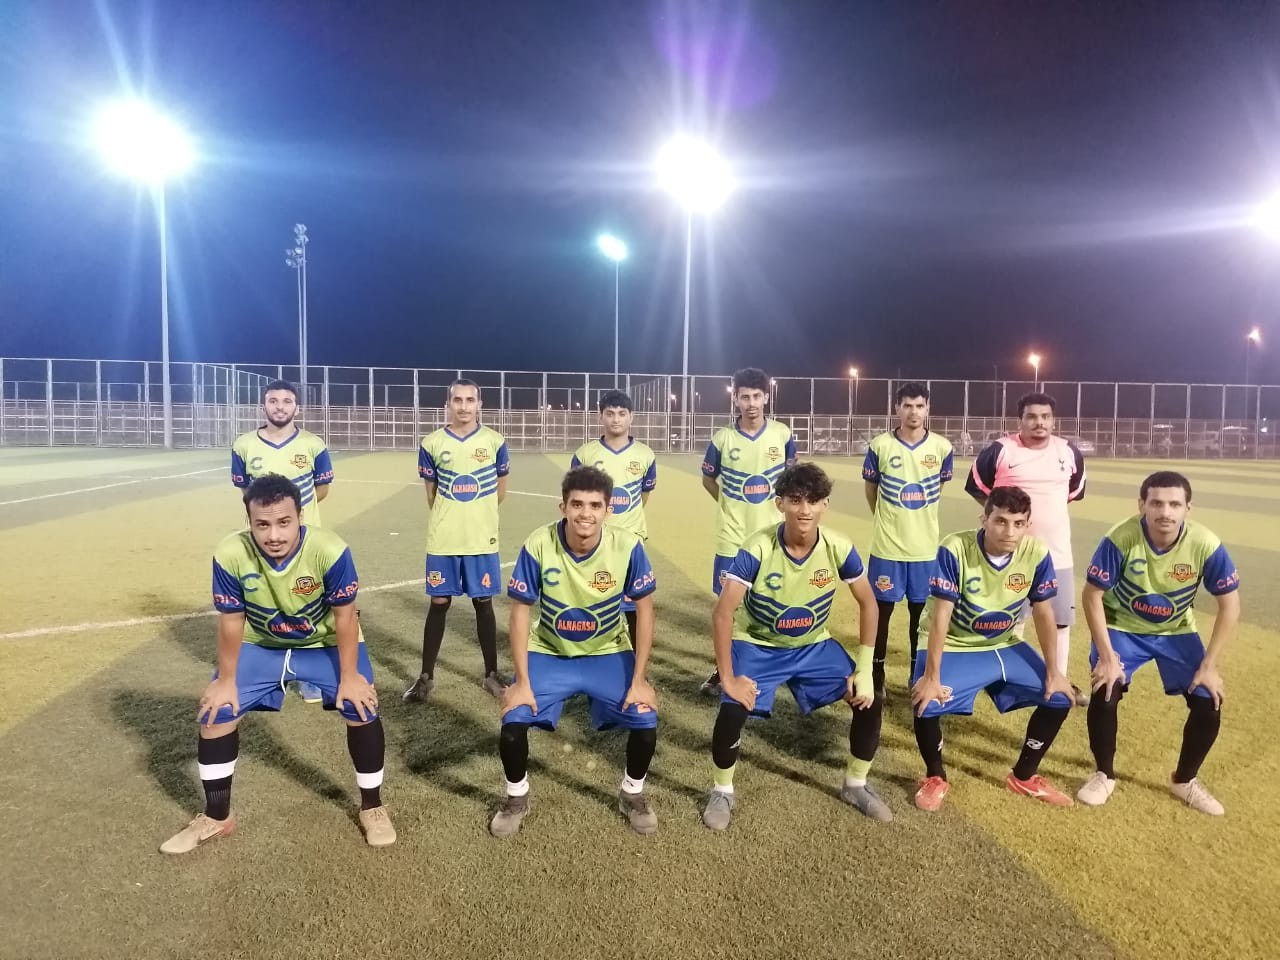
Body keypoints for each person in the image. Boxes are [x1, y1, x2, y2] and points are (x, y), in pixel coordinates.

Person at [160, 474, 393, 853]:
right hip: (261, 645)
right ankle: (217, 817)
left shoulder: (330, 550)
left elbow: (346, 617)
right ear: (249, 521)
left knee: (361, 705)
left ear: (300, 516)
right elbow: (231, 621)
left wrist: (350, 676)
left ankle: (372, 807)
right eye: (262, 524)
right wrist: (226, 680)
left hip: (322, 643)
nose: (274, 535)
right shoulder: (230, 553)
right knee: (216, 713)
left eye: (284, 522)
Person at [701, 463, 890, 829]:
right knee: (733, 707)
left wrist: (865, 669)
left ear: (825, 505)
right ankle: (722, 791)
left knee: (870, 698)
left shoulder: (838, 546)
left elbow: (869, 603)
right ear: (780, 504)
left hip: (813, 646)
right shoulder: (757, 547)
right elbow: (723, 613)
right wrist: (728, 678)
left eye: (814, 501)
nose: (805, 510)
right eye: (796, 500)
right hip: (758, 644)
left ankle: (856, 784)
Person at [490, 466, 659, 838]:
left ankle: (632, 792)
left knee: (645, 718)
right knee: (513, 720)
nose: (586, 513)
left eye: (595, 506)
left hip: (607, 651)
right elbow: (520, 612)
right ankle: (516, 797)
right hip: (550, 652)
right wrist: (521, 681)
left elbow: (645, 610)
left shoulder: (628, 546)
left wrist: (640, 679)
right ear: (562, 507)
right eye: (577, 504)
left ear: (608, 510)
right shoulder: (539, 543)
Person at [1076, 471, 1240, 815]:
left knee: (1208, 699)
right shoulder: (1120, 538)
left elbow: (1230, 605)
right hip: (1121, 626)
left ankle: (1184, 780)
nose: (1165, 512)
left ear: (1188, 509)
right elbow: (1092, 596)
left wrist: (1209, 666)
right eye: (1157, 503)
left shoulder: (1206, 544)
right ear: (1142, 505)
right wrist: (1107, 656)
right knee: (1106, 689)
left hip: (1175, 630)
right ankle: (1104, 774)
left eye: (1175, 504)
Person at [910, 485, 1076, 812]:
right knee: (925, 701)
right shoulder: (955, 548)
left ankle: (1024, 776)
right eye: (1000, 521)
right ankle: (935, 776)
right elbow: (941, 615)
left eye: (1018, 523)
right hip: (956, 644)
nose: (1009, 531)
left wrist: (1055, 671)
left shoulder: (1036, 553)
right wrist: (931, 676)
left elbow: (1043, 612)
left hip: (1003, 642)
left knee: (1058, 697)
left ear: (1028, 525)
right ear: (983, 519)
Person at [966, 392, 1088, 706]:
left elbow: (1072, 493)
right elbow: (977, 488)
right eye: (1032, 416)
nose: (1039, 422)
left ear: (1053, 420)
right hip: (1011, 555)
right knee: (1010, 619)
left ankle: (1059, 677)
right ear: (1020, 420)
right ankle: (1006, 679)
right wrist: (1006, 523)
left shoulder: (1068, 452)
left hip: (1057, 553)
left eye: (1045, 416)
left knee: (1060, 621)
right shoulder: (1001, 450)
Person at [405, 379, 510, 702]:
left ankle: (491, 674)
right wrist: (451, 517)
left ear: (479, 404)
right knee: (439, 603)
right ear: (448, 404)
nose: (464, 406)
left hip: (481, 539)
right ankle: (425, 678)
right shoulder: (432, 443)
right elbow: (431, 495)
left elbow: (500, 492)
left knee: (483, 603)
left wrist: (478, 515)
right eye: (458, 400)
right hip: (444, 539)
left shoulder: (494, 441)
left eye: (470, 400)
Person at [231, 379, 334, 703]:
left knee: (308, 603)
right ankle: (269, 673)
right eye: (273, 400)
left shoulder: (313, 444)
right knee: (263, 603)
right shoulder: (244, 445)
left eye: (287, 401)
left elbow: (322, 489)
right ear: (263, 405)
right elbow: (246, 492)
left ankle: (308, 676)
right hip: (261, 541)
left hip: (306, 540)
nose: (280, 407)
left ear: (297, 408)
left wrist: (294, 518)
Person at [699, 367, 797, 695]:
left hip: (771, 537)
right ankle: (723, 670)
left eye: (756, 396)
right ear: (736, 399)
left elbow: (791, 481)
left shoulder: (782, 434)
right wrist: (728, 504)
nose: (751, 403)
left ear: (766, 397)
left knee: (771, 602)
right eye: (745, 397)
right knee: (728, 609)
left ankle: (768, 666)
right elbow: (708, 478)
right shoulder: (722, 438)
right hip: (732, 538)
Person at [862, 381, 954, 698]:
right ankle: (876, 674)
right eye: (907, 405)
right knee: (880, 615)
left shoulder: (942, 447)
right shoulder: (880, 446)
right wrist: (886, 519)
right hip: (887, 548)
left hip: (925, 550)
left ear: (927, 409)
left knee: (921, 618)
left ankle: (918, 675)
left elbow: (938, 489)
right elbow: (871, 491)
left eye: (919, 406)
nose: (913, 412)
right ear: (897, 408)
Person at [571, 388, 658, 644]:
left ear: (631, 416)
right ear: (601, 416)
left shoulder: (645, 454)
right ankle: (590, 651)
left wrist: (628, 523)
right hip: (593, 539)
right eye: (610, 413)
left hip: (630, 539)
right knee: (591, 599)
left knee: (633, 605)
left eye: (621, 413)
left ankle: (636, 659)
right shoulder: (585, 454)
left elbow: (643, 495)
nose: (616, 419)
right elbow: (576, 497)